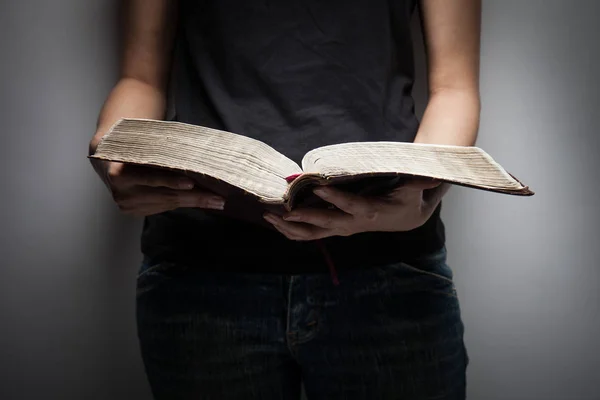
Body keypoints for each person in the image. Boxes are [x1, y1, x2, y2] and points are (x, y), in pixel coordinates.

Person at [89, 0, 481, 398]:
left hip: (390, 271)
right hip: (199, 273)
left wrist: (421, 197)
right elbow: (140, 80)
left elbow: (455, 88)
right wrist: (112, 149)